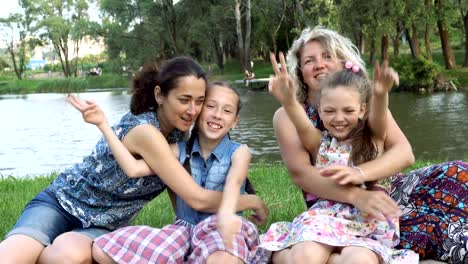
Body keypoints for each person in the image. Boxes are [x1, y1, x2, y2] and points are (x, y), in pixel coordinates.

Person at [0, 57, 266, 264]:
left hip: (105, 224)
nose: (193, 110)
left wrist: (185, 231)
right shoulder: (145, 131)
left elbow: (178, 185)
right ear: (160, 95)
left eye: (199, 101)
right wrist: (251, 201)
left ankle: (44, 250)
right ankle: (35, 247)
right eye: (184, 100)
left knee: (67, 256)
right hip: (60, 203)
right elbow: (195, 196)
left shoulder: (179, 135)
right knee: (11, 256)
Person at [268, 26, 467, 263]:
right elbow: (303, 174)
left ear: (343, 63)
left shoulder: (366, 105)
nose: (319, 64)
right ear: (301, 71)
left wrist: (359, 173)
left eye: (327, 56)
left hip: (385, 193)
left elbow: (403, 153)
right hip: (334, 203)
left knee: (459, 174)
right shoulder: (296, 119)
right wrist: (289, 100)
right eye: (310, 60)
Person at [70, 81, 267, 263]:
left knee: (222, 258)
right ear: (198, 113)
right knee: (103, 250)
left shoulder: (239, 151)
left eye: (226, 110)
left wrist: (228, 214)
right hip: (184, 230)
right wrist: (103, 125)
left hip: (222, 227)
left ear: (234, 121)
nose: (217, 115)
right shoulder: (179, 150)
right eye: (210, 106)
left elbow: (234, 182)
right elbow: (134, 168)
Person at [261, 51, 418, 263]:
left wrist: (380, 95)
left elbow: (380, 119)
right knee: (305, 256)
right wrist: (289, 100)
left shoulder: (373, 141)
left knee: (359, 261)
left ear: (362, 110)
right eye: (330, 111)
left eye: (348, 110)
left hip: (367, 224)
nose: (339, 118)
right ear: (320, 111)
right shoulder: (319, 143)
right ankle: (290, 254)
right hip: (324, 219)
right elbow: (300, 122)